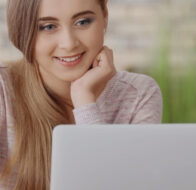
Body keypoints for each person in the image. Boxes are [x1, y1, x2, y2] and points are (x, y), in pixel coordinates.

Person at [0, 0, 163, 189]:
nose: (69, 44)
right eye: (48, 26)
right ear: (22, 31)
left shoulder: (137, 94)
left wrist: (85, 102)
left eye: (83, 22)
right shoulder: (4, 89)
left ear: (105, 18)